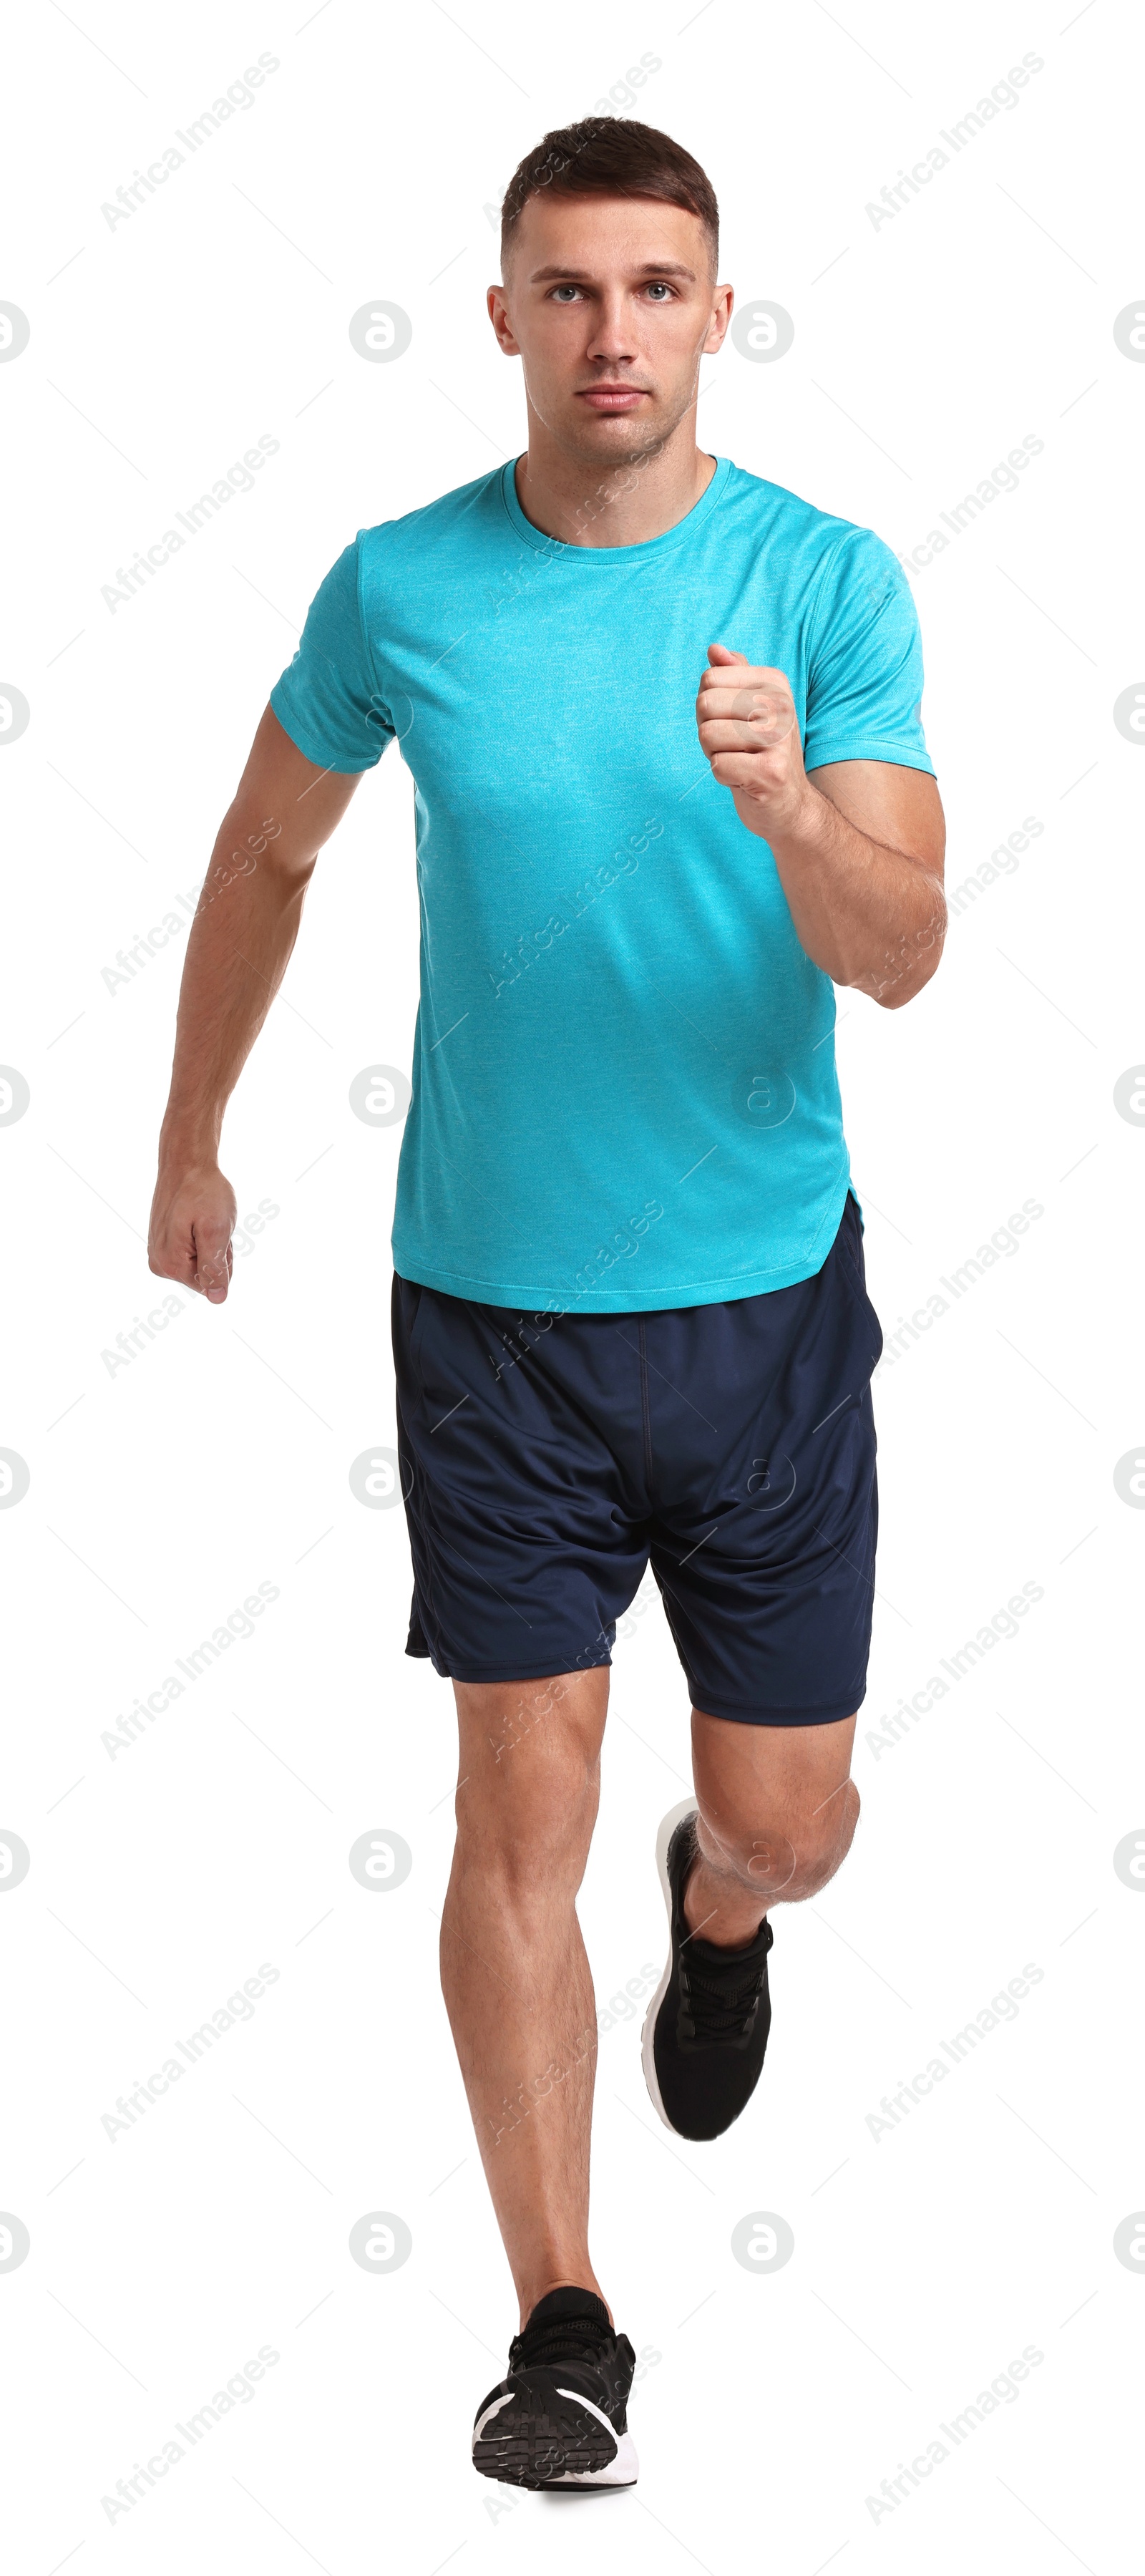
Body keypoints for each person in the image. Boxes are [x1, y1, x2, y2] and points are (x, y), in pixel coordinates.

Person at [148, 115, 945, 2492]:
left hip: (764, 1313)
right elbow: (267, 846)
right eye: (570, 289)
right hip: (489, 1314)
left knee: (791, 1820)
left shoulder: (821, 582)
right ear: (503, 315)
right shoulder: (403, 588)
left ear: (720, 312)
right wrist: (187, 1136)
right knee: (516, 1801)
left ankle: (726, 1911)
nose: (615, 333)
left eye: (660, 288)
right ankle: (562, 2321)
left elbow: (903, 957)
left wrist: (795, 809)